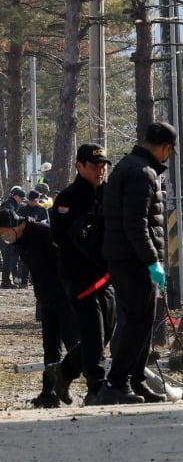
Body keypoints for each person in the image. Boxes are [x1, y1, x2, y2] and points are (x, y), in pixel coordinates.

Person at [97, 121, 175, 405]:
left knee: (142, 320)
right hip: (131, 260)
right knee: (137, 321)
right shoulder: (142, 173)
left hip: (128, 258)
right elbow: (136, 224)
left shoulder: (129, 167)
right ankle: (116, 383)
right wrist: (152, 260)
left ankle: (135, 379)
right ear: (166, 148)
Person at [49, 143, 116, 406]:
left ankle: (63, 372)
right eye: (94, 166)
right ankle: (96, 387)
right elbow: (61, 236)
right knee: (92, 331)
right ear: (79, 166)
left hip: (106, 275)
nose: (100, 171)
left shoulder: (109, 194)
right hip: (80, 276)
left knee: (105, 331)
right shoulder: (68, 199)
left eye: (103, 166)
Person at [0, 209, 82, 408]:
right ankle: (49, 393)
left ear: (16, 224)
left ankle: (97, 388)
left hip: (65, 297)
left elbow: (70, 256)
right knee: (50, 348)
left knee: (75, 345)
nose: (4, 236)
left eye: (4, 231)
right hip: (47, 300)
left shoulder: (44, 233)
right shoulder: (22, 240)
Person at [1, 187, 26, 288]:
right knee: (8, 259)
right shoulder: (9, 205)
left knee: (9, 258)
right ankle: (5, 282)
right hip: (6, 235)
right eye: (21, 198)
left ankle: (6, 280)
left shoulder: (10, 204)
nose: (22, 200)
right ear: (15, 196)